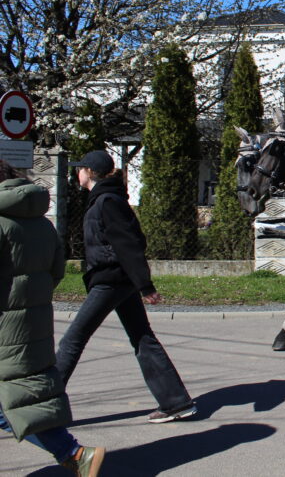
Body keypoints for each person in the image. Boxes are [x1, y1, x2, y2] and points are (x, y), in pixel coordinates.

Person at [56, 151, 196, 424]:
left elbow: (129, 243)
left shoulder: (107, 201)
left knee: (73, 339)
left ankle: (43, 404)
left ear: (90, 172)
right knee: (142, 337)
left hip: (111, 280)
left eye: (80, 169)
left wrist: (145, 285)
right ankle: (176, 402)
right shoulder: (106, 198)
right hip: (118, 279)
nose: (76, 173)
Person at [0, 159, 105, 475]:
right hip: (31, 323)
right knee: (12, 401)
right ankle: (74, 454)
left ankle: (74, 453)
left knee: (7, 406)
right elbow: (56, 272)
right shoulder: (42, 223)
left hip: (4, 325)